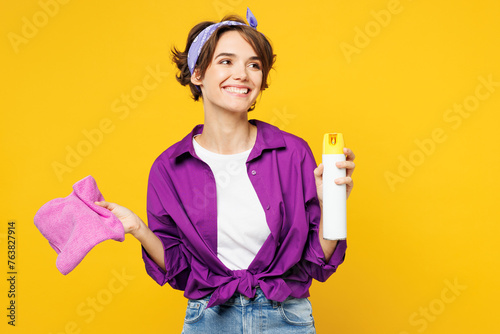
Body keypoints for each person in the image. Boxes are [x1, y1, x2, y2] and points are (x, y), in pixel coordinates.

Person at [96, 8, 355, 333]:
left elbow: (318, 262)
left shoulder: (293, 154)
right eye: (226, 61)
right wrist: (138, 229)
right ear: (198, 74)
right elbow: (179, 272)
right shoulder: (169, 169)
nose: (243, 74)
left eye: (254, 64)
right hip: (208, 320)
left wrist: (333, 205)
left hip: (287, 319)